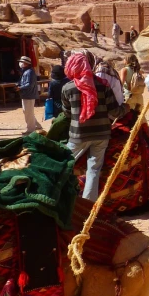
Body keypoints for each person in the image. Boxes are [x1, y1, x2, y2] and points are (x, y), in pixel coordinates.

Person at [62, 53, 128, 201]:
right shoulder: (103, 84)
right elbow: (115, 111)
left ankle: (62, 199)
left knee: (63, 165)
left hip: (78, 136)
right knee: (94, 170)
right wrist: (126, 107)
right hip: (102, 134)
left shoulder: (67, 88)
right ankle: (88, 205)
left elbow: (67, 114)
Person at [16, 55, 42, 134]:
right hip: (26, 94)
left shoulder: (29, 72)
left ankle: (30, 129)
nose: (20, 63)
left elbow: (29, 84)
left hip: (29, 95)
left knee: (28, 112)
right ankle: (37, 125)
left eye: (21, 62)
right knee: (27, 111)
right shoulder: (26, 71)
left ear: (25, 63)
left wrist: (20, 88)